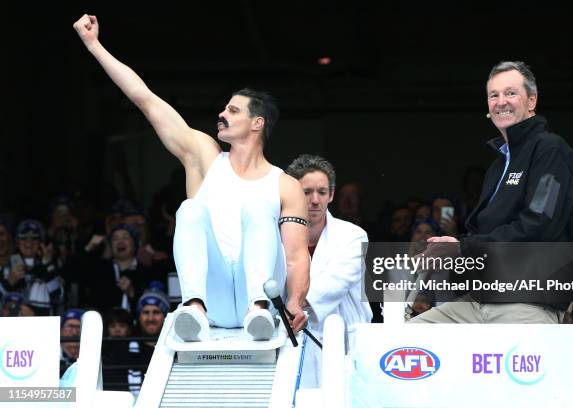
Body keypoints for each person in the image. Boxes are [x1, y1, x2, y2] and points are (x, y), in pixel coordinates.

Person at [73, 14, 309, 341]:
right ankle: (194, 307)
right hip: (214, 301)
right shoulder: (204, 156)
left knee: (258, 211)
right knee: (190, 210)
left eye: (233, 111)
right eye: (224, 109)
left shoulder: (285, 184)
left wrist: (296, 301)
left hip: (261, 304)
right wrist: (93, 45)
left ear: (257, 124)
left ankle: (258, 307)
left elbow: (297, 256)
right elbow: (145, 99)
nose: (221, 114)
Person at [412, 61, 573, 324]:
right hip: (481, 298)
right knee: (407, 339)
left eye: (510, 93)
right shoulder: (498, 165)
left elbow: (539, 224)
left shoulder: (551, 150)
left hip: (529, 299)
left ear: (532, 101)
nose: (501, 101)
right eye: (494, 95)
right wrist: (451, 254)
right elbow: (485, 238)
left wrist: (462, 249)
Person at [286, 154, 372, 388]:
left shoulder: (353, 236)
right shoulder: (275, 237)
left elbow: (334, 284)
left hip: (342, 347)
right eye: (306, 192)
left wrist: (292, 303)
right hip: (289, 345)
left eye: (322, 192)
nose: (315, 200)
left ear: (331, 194)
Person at [60, 308, 84, 376]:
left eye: (78, 327)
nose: (74, 332)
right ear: (60, 330)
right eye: (70, 326)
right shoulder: (48, 356)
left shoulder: (93, 356)